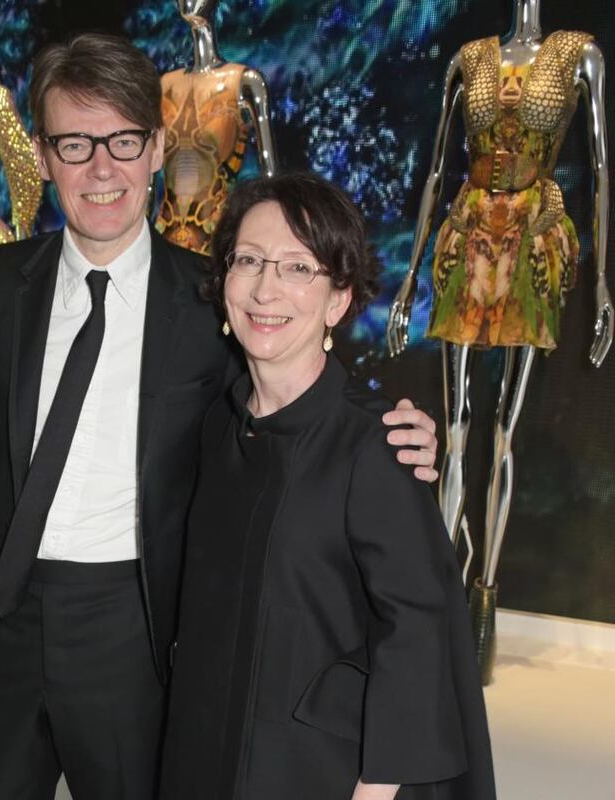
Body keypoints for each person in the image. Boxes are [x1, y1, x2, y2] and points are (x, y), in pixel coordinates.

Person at [0, 34, 440, 800]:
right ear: (40, 156)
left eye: (124, 141)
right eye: (75, 143)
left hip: (135, 627)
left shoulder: (212, 297)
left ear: (158, 148)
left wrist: (392, 426)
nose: (102, 169)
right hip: (4, 613)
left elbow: (288, 372)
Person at [159, 173, 496, 800]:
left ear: (338, 300)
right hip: (205, 753)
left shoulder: (377, 444)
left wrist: (375, 788)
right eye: (250, 261)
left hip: (317, 772)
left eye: (298, 268)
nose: (266, 288)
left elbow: (418, 633)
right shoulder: (218, 427)